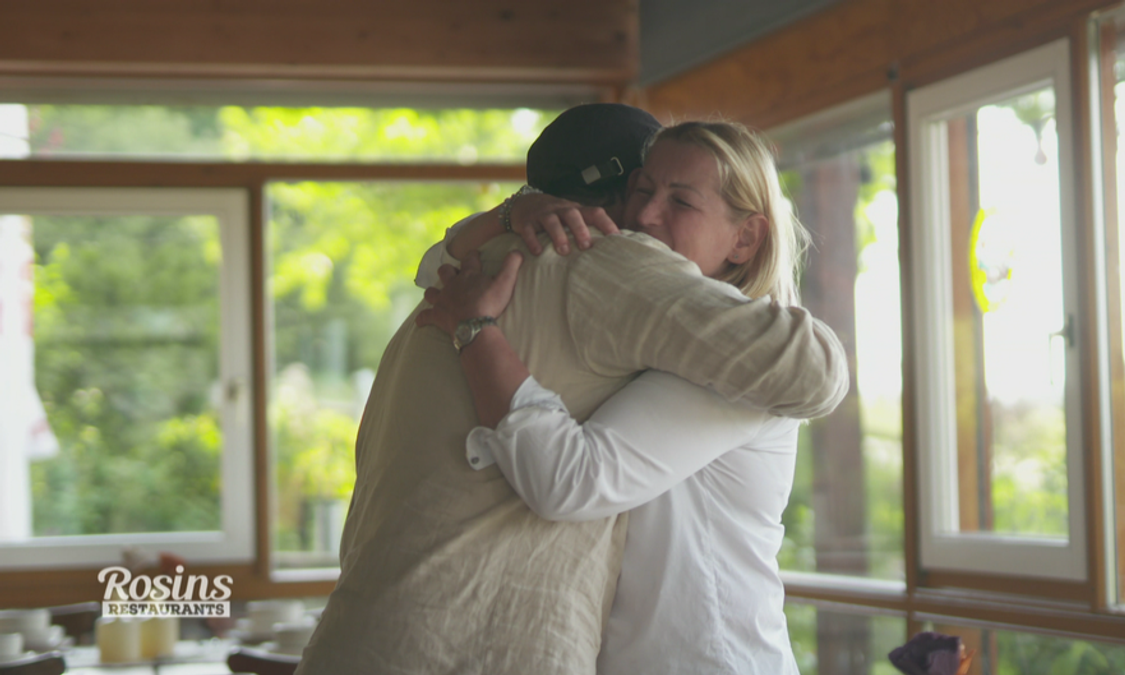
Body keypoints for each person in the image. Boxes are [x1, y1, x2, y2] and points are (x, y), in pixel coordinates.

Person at [296, 105, 847, 675]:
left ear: (746, 237)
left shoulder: (474, 273)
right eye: (641, 188)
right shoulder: (611, 281)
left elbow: (572, 480)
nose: (646, 216)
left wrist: (478, 328)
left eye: (679, 200)